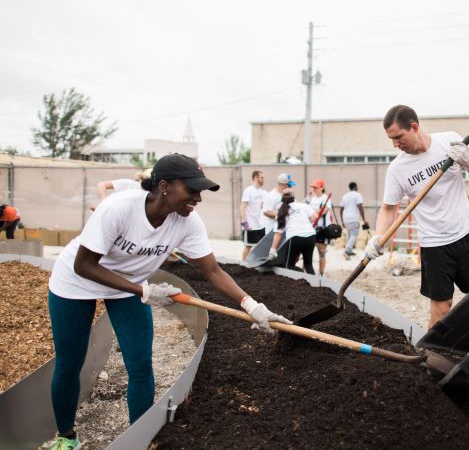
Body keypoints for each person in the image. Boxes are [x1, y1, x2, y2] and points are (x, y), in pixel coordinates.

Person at [44, 154, 290, 450]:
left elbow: (212, 270)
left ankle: (139, 440)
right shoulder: (119, 208)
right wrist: (143, 291)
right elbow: (84, 265)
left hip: (128, 289)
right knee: (70, 364)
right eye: (191, 190)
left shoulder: (186, 222)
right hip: (76, 282)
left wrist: (252, 306)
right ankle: (66, 437)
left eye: (200, 191)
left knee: (140, 365)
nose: (197, 198)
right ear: (164, 186)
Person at [364, 105, 469, 329]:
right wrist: (378, 237)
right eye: (391, 139)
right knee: (441, 311)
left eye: (398, 137)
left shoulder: (450, 142)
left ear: (414, 127)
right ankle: (428, 357)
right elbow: (388, 208)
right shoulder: (398, 168)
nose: (395, 144)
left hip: (466, 235)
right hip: (434, 245)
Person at [268, 189, 317, 274]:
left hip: (295, 238)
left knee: (289, 266)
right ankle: (315, 286)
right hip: (310, 236)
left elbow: (278, 233)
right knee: (308, 265)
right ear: (294, 197)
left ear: (282, 199)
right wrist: (305, 223)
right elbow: (315, 217)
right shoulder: (303, 206)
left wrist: (273, 249)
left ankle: (289, 286)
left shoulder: (281, 212)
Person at [307, 178, 334, 276]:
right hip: (312, 228)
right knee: (308, 252)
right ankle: (308, 272)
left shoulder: (326, 199)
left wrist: (314, 213)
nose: (314, 189)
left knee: (321, 252)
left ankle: (321, 274)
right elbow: (307, 210)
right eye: (313, 187)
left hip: (323, 229)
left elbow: (324, 211)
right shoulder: (312, 199)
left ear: (322, 188)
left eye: (316, 187)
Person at [240, 170, 267, 260]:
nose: (263, 179)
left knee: (260, 247)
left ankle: (253, 264)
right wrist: (245, 224)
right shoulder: (248, 190)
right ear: (256, 178)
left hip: (260, 225)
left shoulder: (261, 192)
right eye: (262, 177)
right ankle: (244, 265)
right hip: (250, 225)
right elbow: (242, 207)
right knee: (248, 246)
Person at [340, 182, 369, 260]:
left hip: (346, 218)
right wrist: (364, 219)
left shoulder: (345, 196)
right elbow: (360, 206)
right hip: (353, 218)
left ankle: (349, 250)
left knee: (350, 234)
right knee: (354, 235)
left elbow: (341, 209)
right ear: (355, 187)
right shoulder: (357, 195)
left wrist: (342, 221)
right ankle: (347, 250)